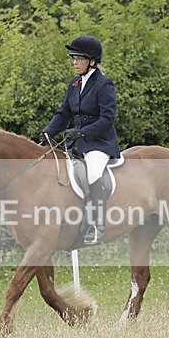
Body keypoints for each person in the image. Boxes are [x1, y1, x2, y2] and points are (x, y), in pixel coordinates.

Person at [38, 35, 119, 245]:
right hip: (78, 143)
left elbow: (107, 119)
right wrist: (48, 133)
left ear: (92, 61)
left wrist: (83, 132)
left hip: (99, 143)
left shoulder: (104, 84)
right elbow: (63, 113)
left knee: (92, 173)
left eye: (79, 58)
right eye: (73, 58)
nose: (74, 62)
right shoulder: (74, 83)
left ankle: (98, 227)